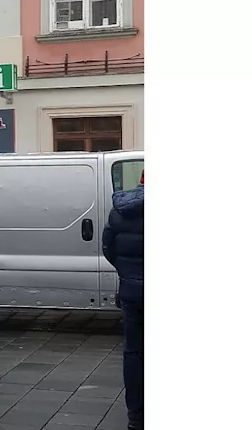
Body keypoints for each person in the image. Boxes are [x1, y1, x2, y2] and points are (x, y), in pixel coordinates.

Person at [102, 174, 144, 430]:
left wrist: (128, 275)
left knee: (134, 355)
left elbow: (109, 248)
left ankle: (136, 417)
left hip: (133, 294)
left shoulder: (121, 209)